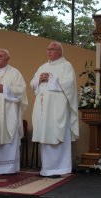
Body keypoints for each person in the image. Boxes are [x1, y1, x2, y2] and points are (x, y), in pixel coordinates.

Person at [31, 42, 79, 178]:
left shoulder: (66, 66)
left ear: (60, 51)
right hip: (43, 109)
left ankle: (58, 169)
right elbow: (33, 84)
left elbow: (70, 84)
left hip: (58, 109)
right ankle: (45, 169)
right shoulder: (43, 66)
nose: (49, 52)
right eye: (48, 49)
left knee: (56, 135)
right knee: (45, 136)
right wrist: (39, 80)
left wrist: (51, 79)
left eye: (52, 49)